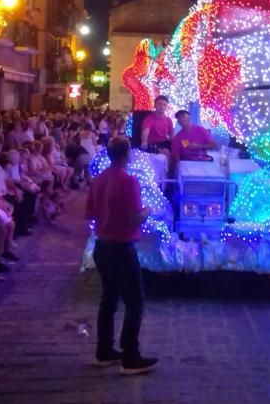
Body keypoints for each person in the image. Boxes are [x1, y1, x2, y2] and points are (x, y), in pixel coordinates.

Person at [84, 137, 157, 375]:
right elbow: (136, 217)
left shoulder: (99, 179)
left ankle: (104, 351)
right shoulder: (128, 181)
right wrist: (147, 210)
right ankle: (130, 357)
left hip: (102, 247)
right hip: (121, 248)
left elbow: (90, 213)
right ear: (127, 154)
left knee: (109, 298)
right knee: (135, 301)